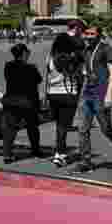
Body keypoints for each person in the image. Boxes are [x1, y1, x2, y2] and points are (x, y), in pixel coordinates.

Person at [76, 27, 112, 174]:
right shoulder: (86, 50)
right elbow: (86, 72)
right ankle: (86, 160)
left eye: (92, 34)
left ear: (99, 35)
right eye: (87, 34)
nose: (88, 36)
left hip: (101, 94)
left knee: (106, 129)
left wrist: (109, 94)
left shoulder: (106, 49)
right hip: (87, 94)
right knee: (83, 128)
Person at [45, 33, 85, 166]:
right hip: (68, 94)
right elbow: (80, 77)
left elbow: (47, 76)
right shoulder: (73, 59)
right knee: (63, 126)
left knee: (59, 125)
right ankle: (60, 153)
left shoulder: (50, 58)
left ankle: (60, 151)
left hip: (53, 94)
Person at [1, 43, 44, 164]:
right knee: (32, 127)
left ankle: (7, 155)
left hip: (11, 100)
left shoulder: (8, 66)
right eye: (27, 52)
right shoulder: (31, 68)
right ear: (24, 53)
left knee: (10, 129)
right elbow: (38, 80)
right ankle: (35, 150)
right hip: (27, 101)